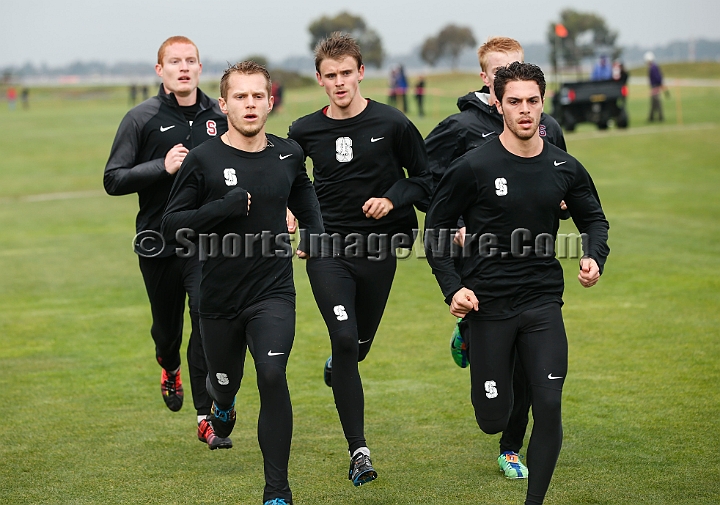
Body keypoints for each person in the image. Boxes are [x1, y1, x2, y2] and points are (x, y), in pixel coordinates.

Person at [425, 61, 609, 505]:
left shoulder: (565, 166)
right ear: (497, 103)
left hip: (542, 300)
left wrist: (593, 256)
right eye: (515, 102)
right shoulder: (474, 166)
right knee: (492, 418)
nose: (525, 111)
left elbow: (594, 220)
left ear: (542, 104)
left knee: (548, 404)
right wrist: (453, 288)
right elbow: (436, 227)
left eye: (533, 101)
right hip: (487, 304)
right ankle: (468, 338)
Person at [162, 61, 324, 505]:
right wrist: (224, 206)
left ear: (270, 102)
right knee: (226, 383)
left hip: (272, 292)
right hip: (217, 298)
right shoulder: (204, 159)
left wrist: (313, 231)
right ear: (223, 103)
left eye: (258, 96)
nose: (250, 104)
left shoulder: (288, 153)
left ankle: (277, 491)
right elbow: (171, 224)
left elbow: (304, 193)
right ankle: (222, 402)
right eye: (240, 96)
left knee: (272, 375)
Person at [288, 32, 432, 486]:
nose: (339, 82)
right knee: (345, 339)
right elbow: (284, 180)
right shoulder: (303, 130)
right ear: (319, 79)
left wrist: (391, 200)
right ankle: (359, 452)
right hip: (326, 249)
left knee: (358, 346)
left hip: (378, 250)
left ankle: (343, 359)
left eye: (346, 73)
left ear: (361, 72)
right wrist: (291, 212)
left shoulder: (393, 123)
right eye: (330, 76)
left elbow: (428, 183)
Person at [424, 36, 567, 480]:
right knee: (497, 359)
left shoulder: (548, 127)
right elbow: (428, 185)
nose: (512, 78)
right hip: (477, 265)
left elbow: (562, 183)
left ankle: (511, 447)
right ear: (486, 79)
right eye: (502, 71)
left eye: (519, 68)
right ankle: (469, 330)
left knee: (529, 363)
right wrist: (458, 222)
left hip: (533, 269)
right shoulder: (458, 129)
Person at [104, 36, 231, 449]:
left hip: (204, 242)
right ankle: (168, 366)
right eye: (174, 62)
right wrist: (163, 165)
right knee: (167, 332)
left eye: (190, 61)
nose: (183, 68)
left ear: (199, 67)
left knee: (203, 317)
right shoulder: (140, 118)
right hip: (156, 243)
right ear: (160, 70)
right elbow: (113, 179)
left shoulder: (219, 113)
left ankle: (204, 416)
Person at [645, 52, 666, 122]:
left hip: (655, 87)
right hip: (655, 87)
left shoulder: (653, 68)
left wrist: (657, 86)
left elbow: (657, 78)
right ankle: (651, 117)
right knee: (653, 102)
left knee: (656, 102)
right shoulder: (654, 67)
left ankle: (660, 117)